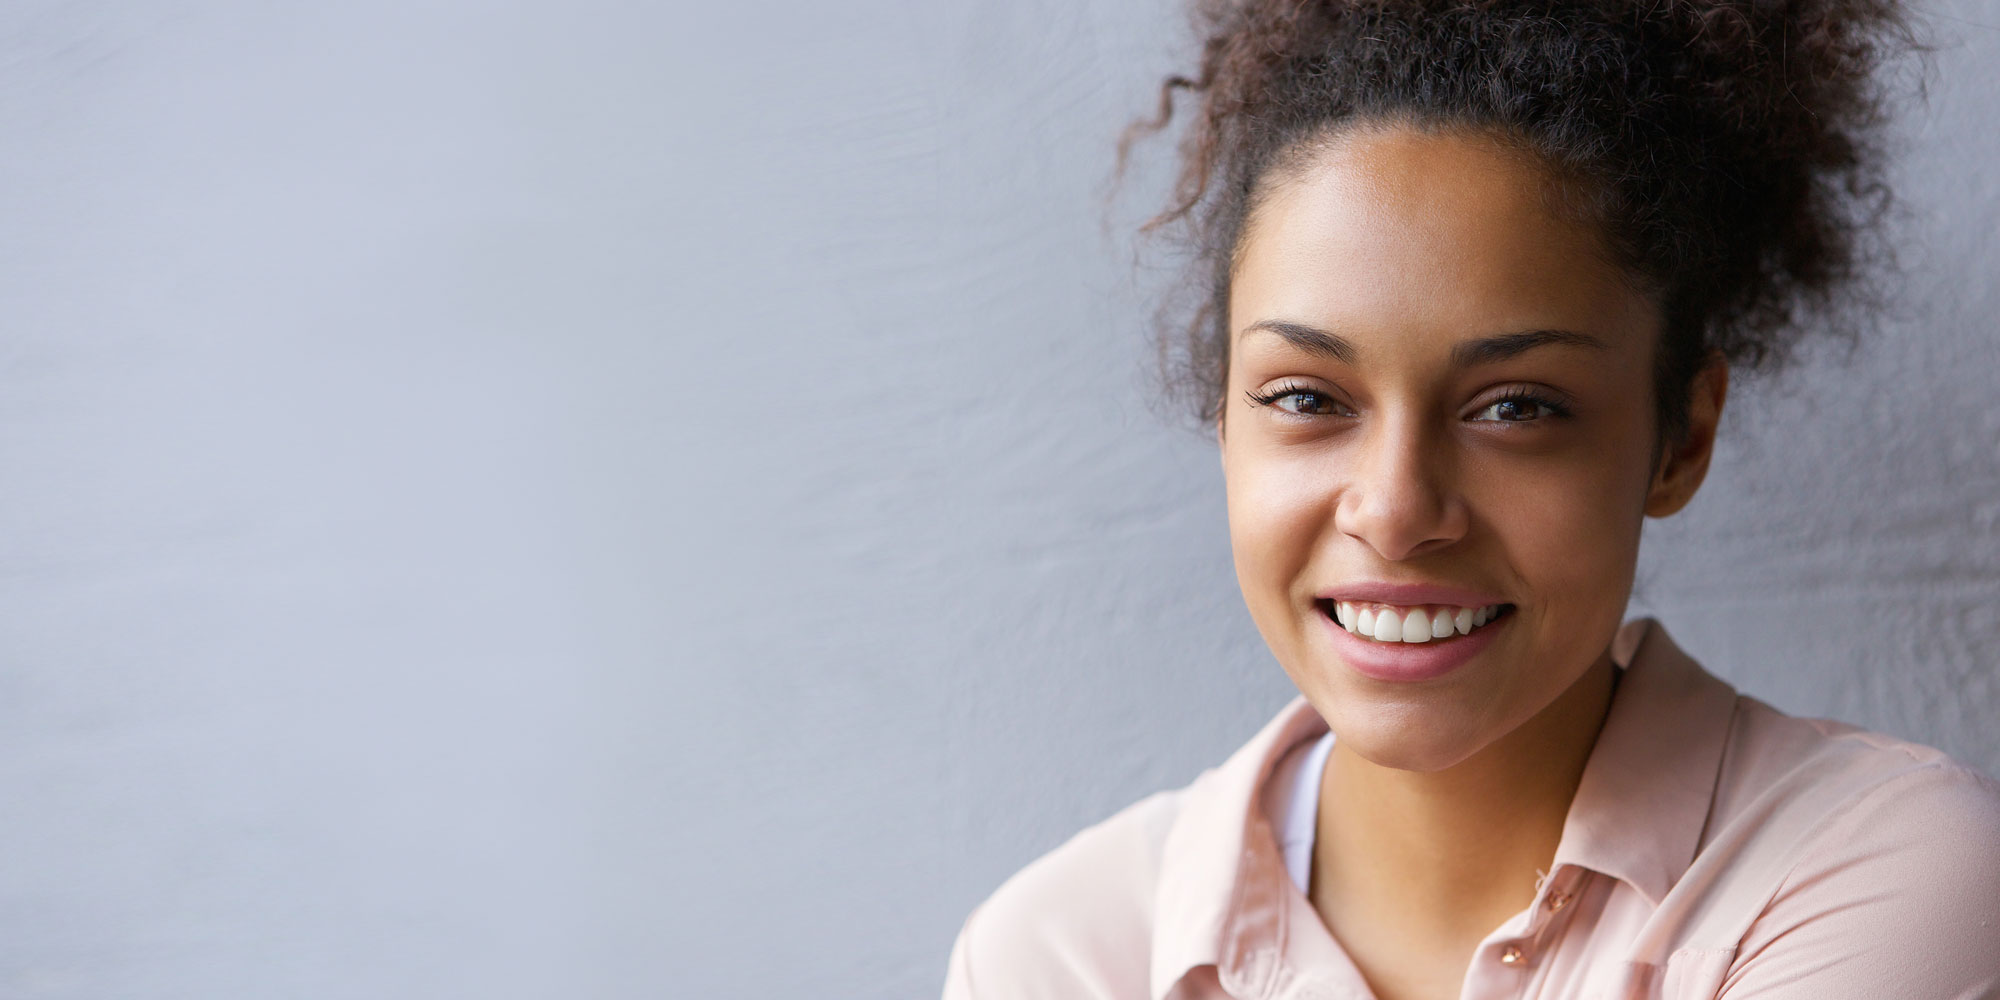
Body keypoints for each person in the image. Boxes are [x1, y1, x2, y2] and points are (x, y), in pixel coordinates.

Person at [940, 2, 2000, 999]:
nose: (1395, 511)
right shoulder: (1058, 953)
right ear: (1223, 420)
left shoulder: (1874, 873)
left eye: (1515, 409)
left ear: (1680, 436)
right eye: (1307, 397)